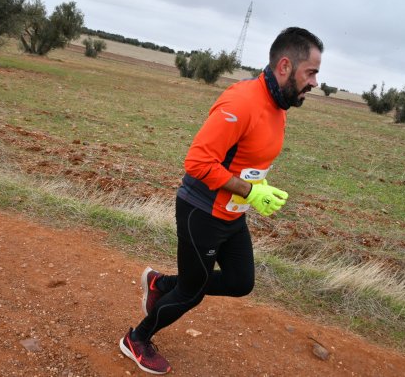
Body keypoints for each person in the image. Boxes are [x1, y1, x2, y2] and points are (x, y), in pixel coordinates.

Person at [119, 27, 323, 374]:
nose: (316, 82)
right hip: (201, 211)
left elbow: (244, 161)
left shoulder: (278, 105)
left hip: (231, 214)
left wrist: (258, 188)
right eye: (312, 72)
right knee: (192, 292)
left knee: (240, 282)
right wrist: (250, 191)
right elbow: (197, 163)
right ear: (286, 66)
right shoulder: (241, 102)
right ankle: (136, 338)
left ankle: (161, 283)